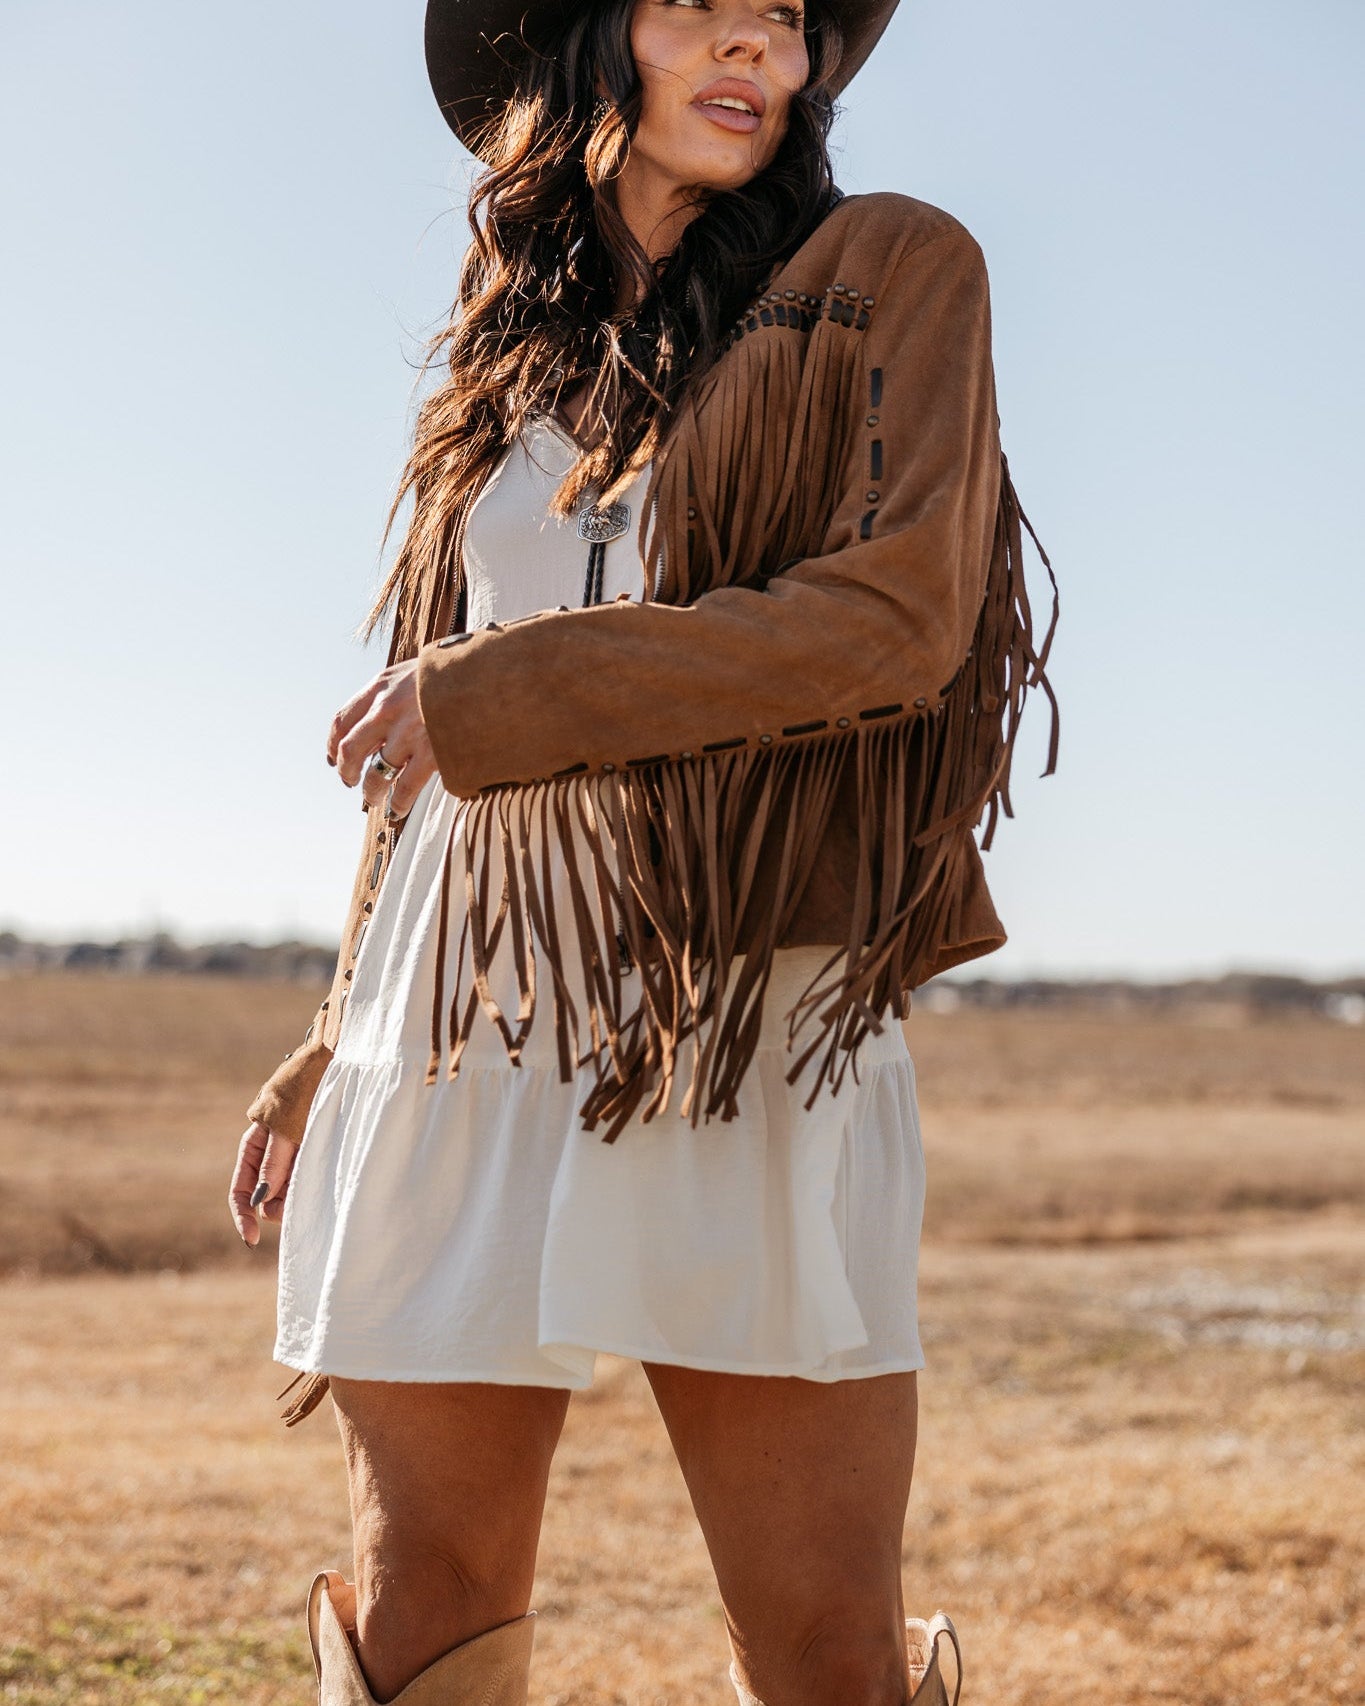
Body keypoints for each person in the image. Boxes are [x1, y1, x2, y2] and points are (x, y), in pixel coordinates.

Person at [228, 0, 1058, 1700]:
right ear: (592, 35)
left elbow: (898, 615)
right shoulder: (504, 358)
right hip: (459, 1000)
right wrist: (333, 1029)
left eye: (787, 18)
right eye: (702, 0)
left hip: (737, 993)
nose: (755, 44)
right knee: (423, 1600)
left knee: (820, 1636)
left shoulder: (886, 266)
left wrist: (521, 688)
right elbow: (417, 742)